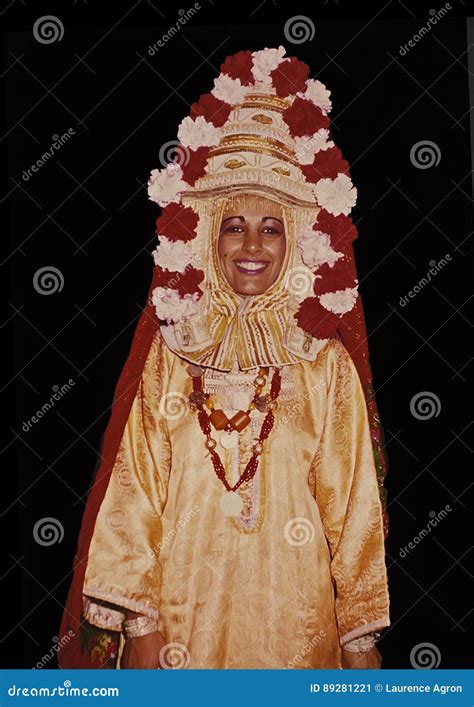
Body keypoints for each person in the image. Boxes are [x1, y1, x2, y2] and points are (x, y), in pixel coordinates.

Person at [58, 46, 390, 670]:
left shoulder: (322, 362)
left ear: (297, 240)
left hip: (299, 633)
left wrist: (359, 637)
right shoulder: (173, 351)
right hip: (176, 634)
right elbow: (133, 495)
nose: (252, 245)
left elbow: (355, 513)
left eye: (271, 227)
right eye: (233, 224)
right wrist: (144, 624)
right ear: (208, 235)